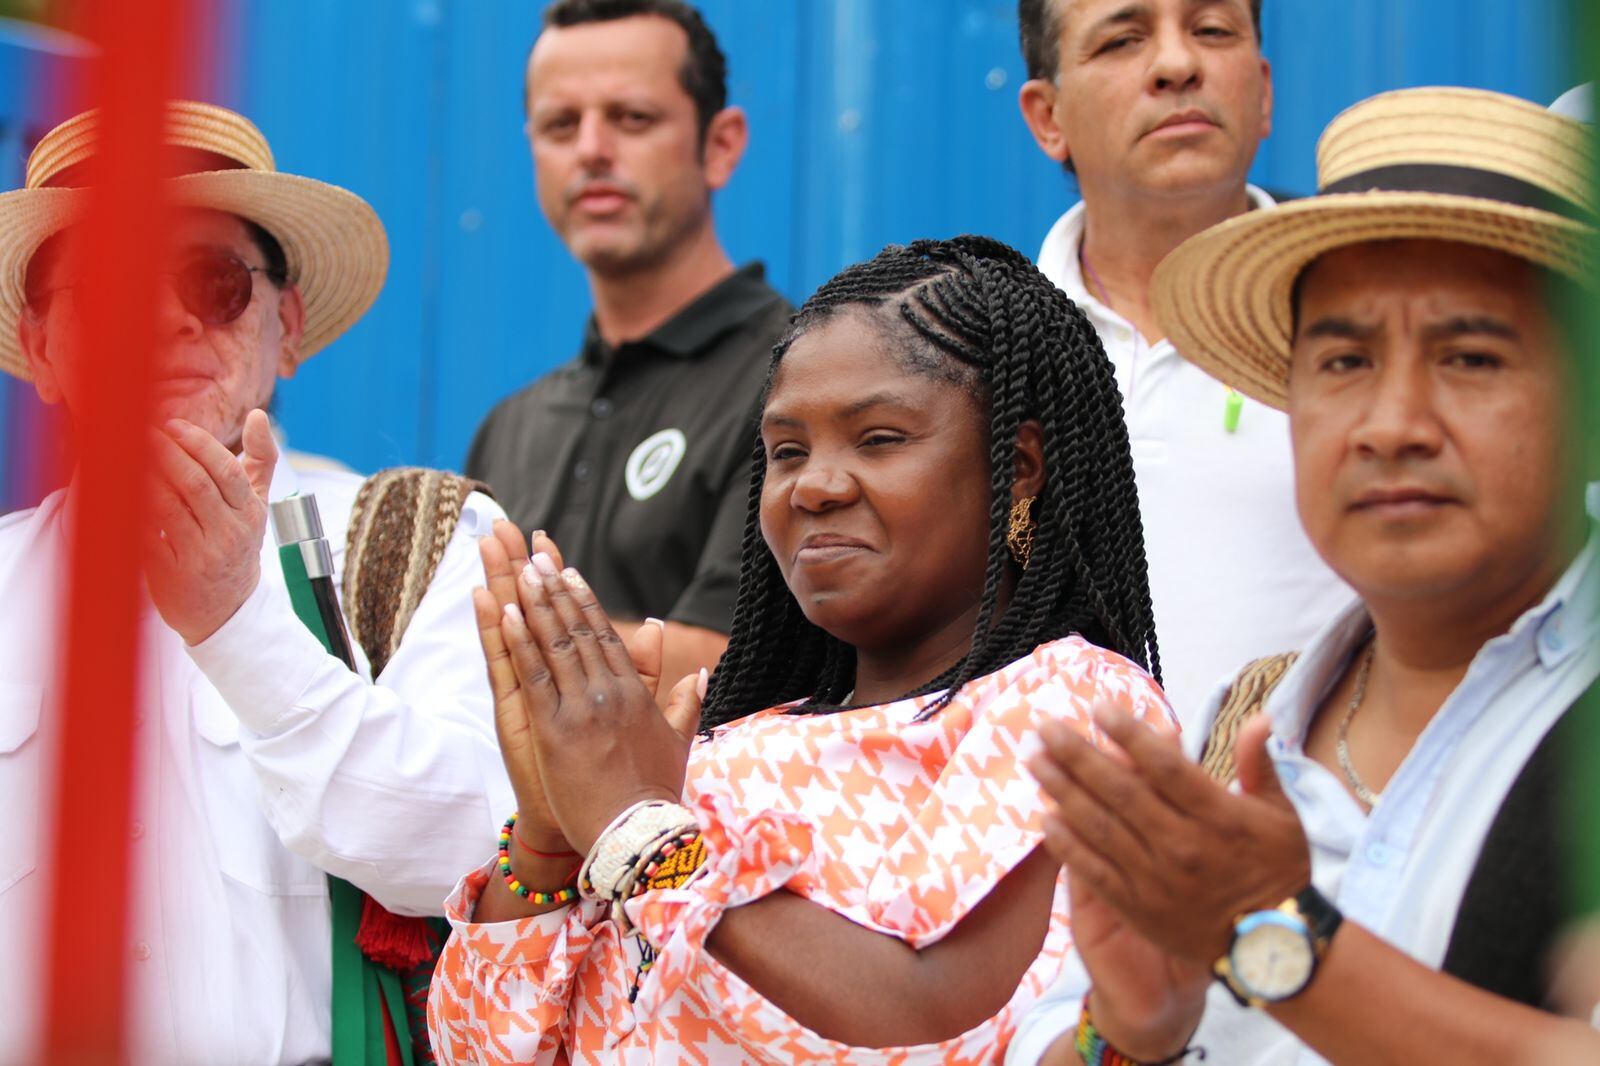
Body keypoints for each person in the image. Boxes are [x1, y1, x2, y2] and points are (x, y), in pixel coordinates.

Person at [427, 236, 1174, 1062]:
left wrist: (641, 833)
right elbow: (481, 1051)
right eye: (787, 451)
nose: (815, 485)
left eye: (880, 439)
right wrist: (551, 837)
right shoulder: (713, 749)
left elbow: (948, 1024)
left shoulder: (1073, 704)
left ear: (1020, 468)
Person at [1012, 87, 1600, 1064]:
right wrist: (1129, 1031)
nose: (1391, 423)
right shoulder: (1242, 728)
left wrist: (1269, 937)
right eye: (1343, 362)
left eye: (1468, 356)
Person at [0, 101, 513, 1063]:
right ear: (40, 347)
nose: (162, 317)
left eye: (209, 278)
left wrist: (239, 627)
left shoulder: (423, 543)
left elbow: (480, 854)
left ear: (286, 327)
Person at [1015, 0, 1351, 720]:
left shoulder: (1363, 327)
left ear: (1263, 91)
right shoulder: (981, 354)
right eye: (1123, 39)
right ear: (1048, 117)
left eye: (1211, 30)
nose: (1177, 65)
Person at [465, 0, 791, 694]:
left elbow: (728, 660)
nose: (591, 149)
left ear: (721, 145)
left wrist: (474, 647)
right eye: (561, 124)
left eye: (632, 118)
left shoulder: (799, 376)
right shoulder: (509, 428)